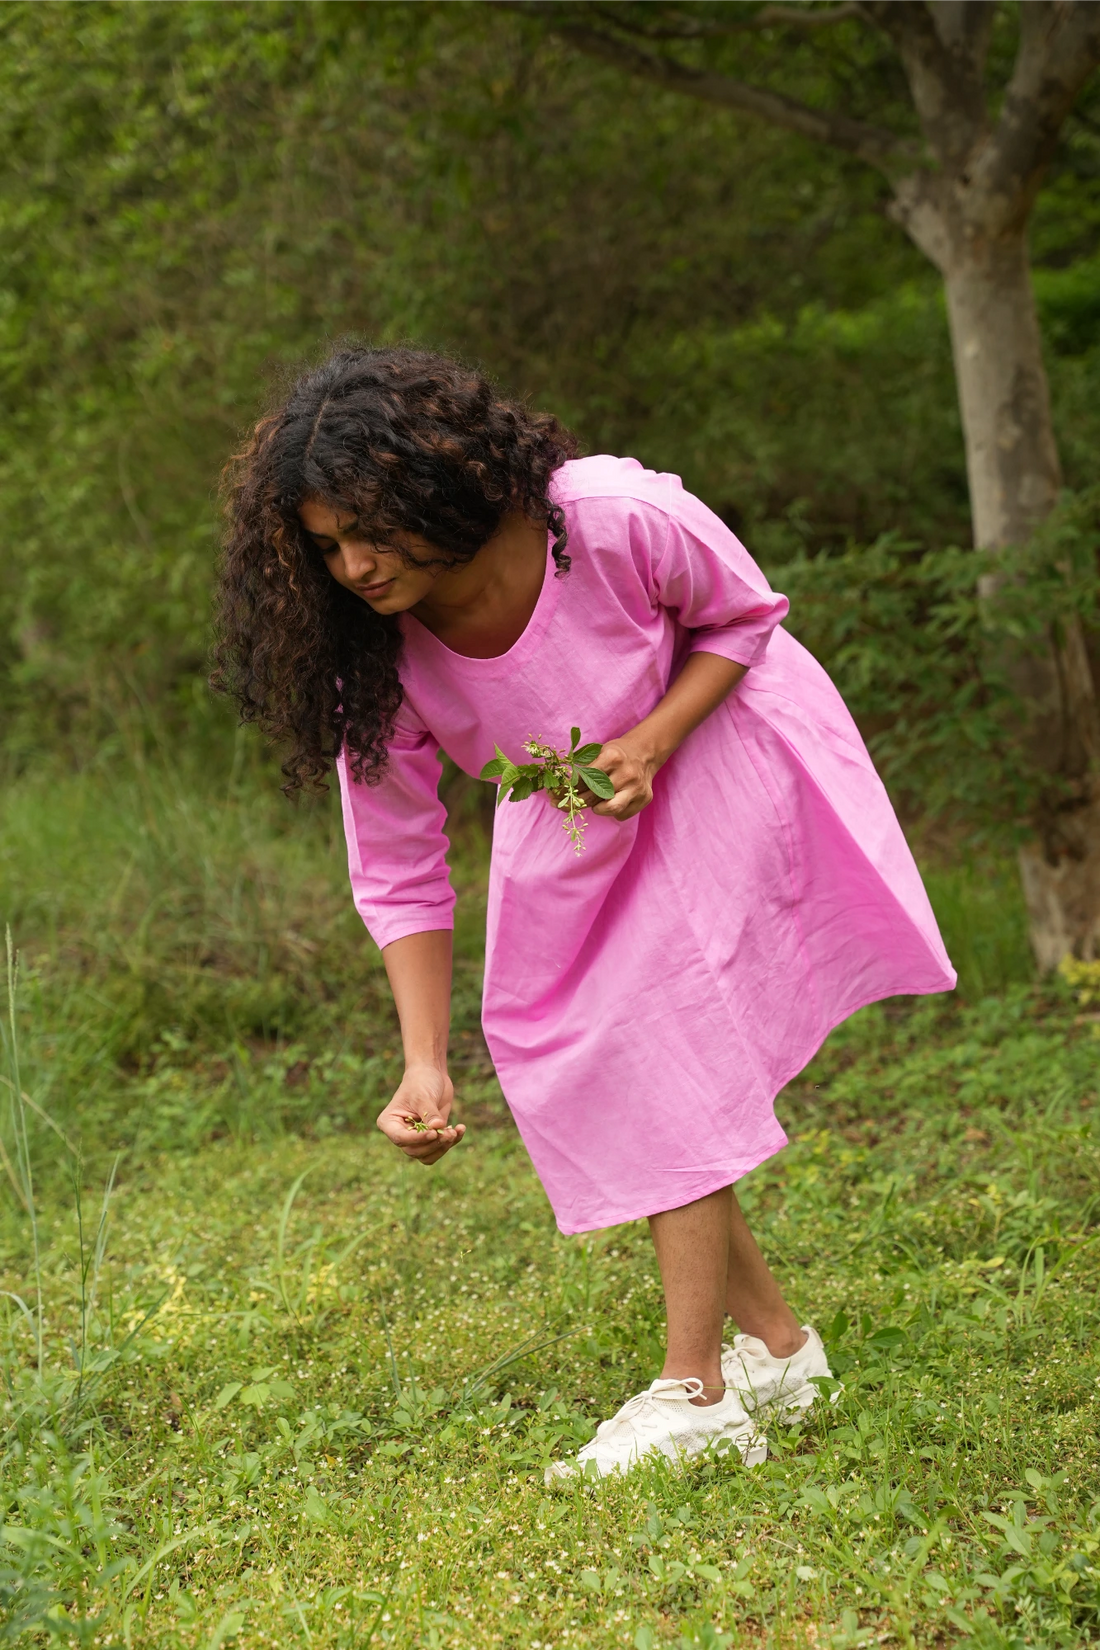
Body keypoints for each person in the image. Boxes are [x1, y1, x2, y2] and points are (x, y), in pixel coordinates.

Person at [214, 345, 955, 1478]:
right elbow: (401, 865)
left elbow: (741, 616)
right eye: (325, 546)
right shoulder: (375, 663)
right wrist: (423, 1060)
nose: (354, 565)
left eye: (372, 527)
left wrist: (652, 738)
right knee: (596, 1050)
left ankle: (693, 1393)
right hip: (571, 817)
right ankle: (777, 1345)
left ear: (439, 479)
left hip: (714, 750)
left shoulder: (604, 517)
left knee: (658, 1040)